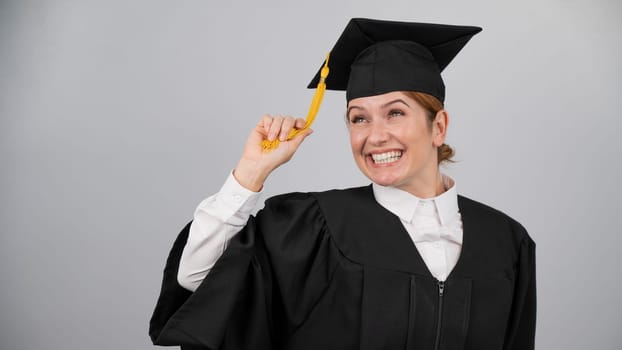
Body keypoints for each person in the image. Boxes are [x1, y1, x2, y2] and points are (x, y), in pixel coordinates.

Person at [149, 18, 536, 350]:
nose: (375, 135)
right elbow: (197, 280)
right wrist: (251, 172)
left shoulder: (504, 242)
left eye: (395, 113)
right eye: (358, 118)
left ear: (439, 127)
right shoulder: (309, 226)